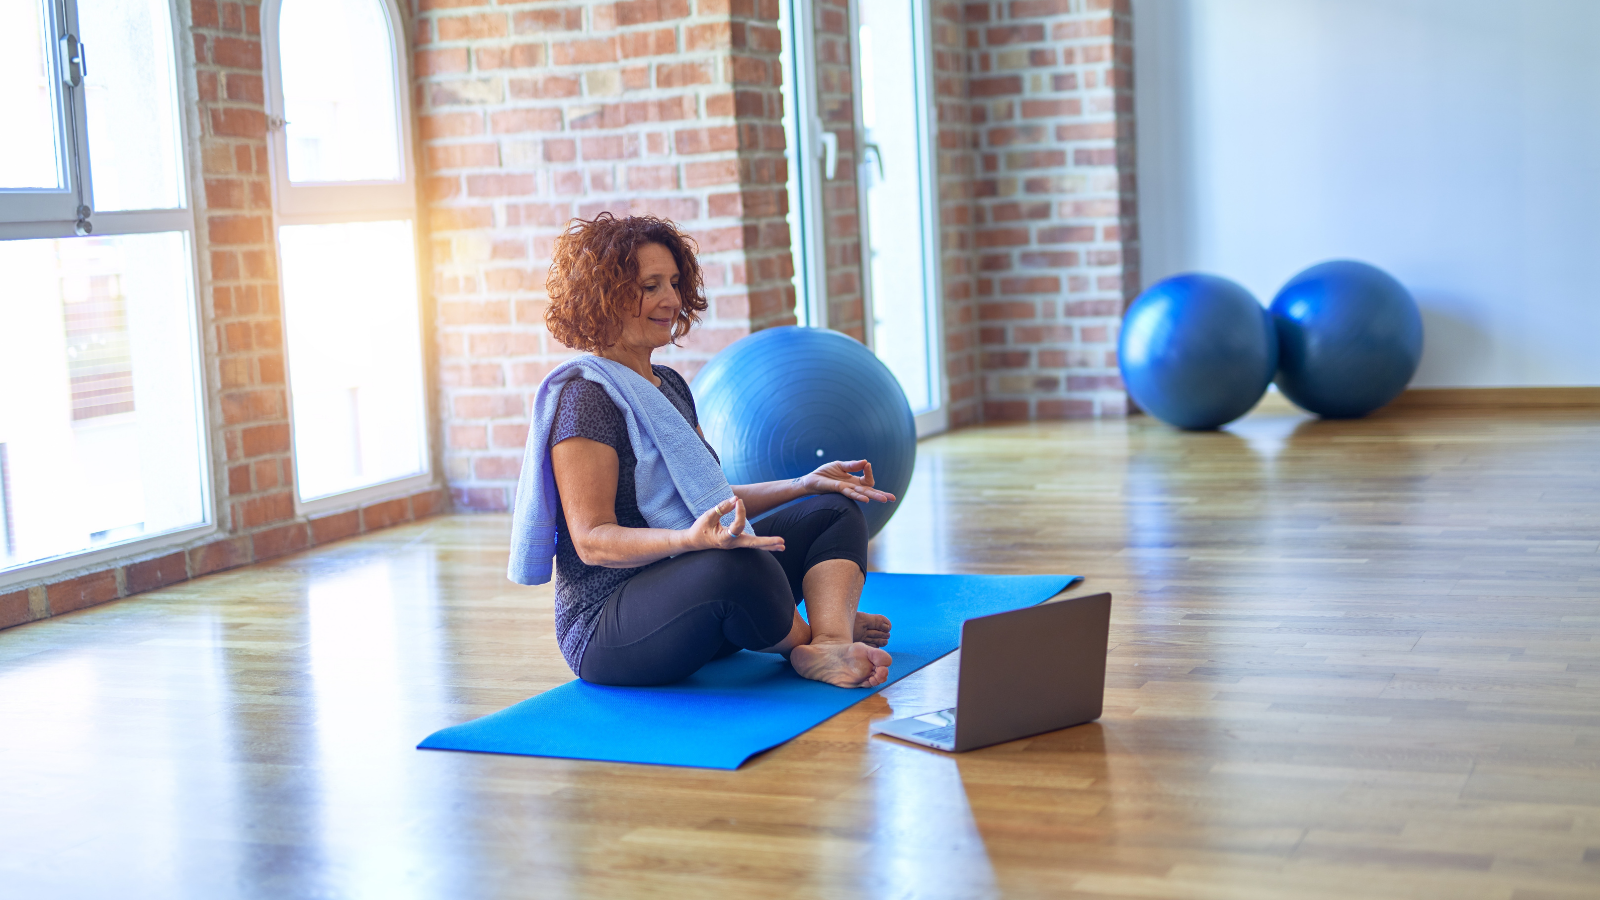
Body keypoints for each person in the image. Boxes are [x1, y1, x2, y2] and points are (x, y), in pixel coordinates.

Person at [515, 212, 895, 689]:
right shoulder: (586, 398)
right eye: (650, 286)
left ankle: (828, 643)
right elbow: (592, 541)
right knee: (735, 560)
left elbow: (709, 501)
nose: (671, 300)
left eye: (674, 283)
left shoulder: (669, 384)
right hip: (610, 627)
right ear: (604, 297)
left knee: (833, 509)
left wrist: (803, 484)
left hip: (692, 591)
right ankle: (808, 633)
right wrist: (689, 542)